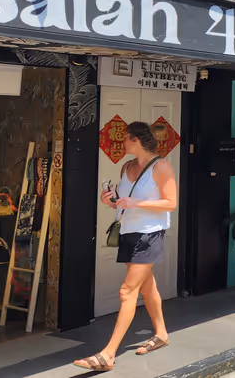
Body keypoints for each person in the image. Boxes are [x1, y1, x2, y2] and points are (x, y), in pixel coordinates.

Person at [74, 122, 177, 372]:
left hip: (149, 235)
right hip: (129, 233)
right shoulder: (126, 167)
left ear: (136, 140)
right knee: (147, 286)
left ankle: (108, 354)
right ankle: (161, 333)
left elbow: (170, 203)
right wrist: (111, 201)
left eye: (125, 140)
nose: (122, 144)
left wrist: (136, 202)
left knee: (126, 291)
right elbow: (124, 204)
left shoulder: (161, 166)